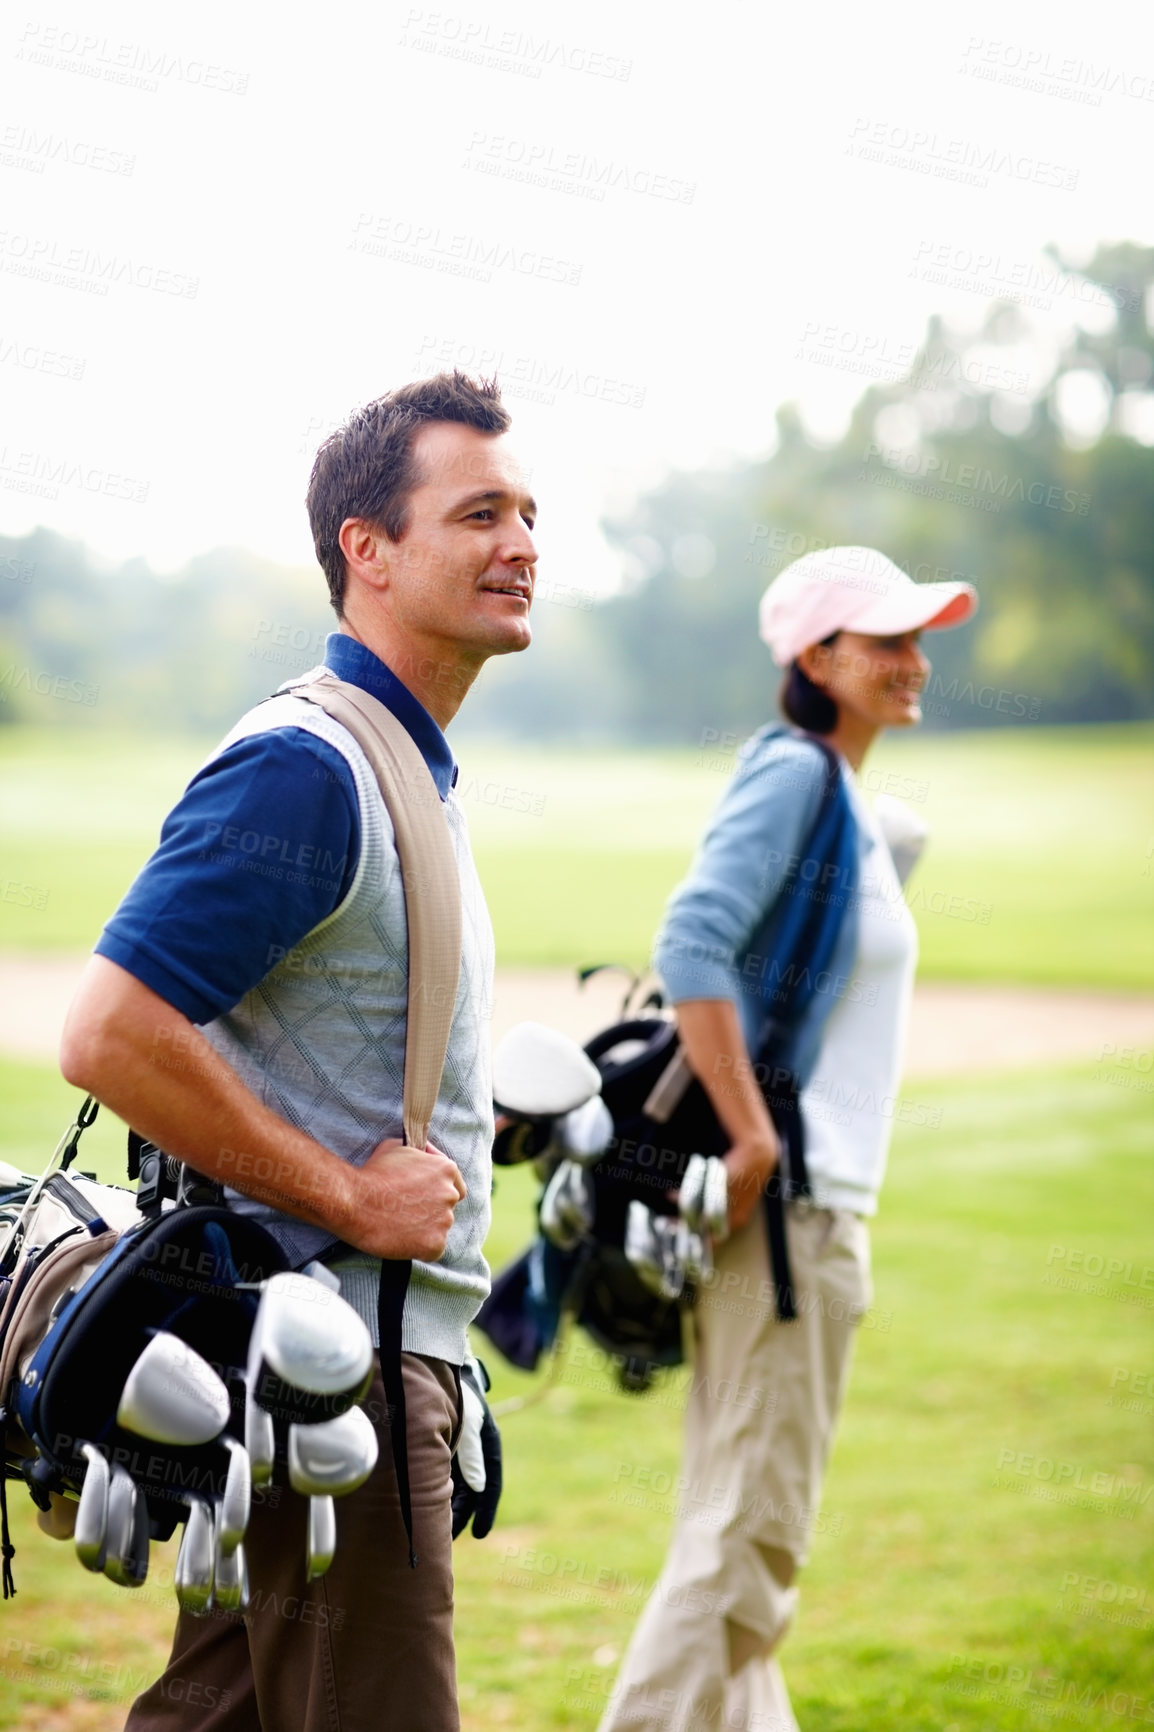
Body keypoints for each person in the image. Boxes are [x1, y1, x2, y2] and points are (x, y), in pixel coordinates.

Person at [59, 370, 538, 1731]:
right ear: (366, 552)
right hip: (339, 1380)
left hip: (317, 1373)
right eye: (479, 512)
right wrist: (343, 1197)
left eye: (527, 512)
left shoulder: (399, 759)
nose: (521, 544)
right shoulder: (307, 767)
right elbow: (109, 1032)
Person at [599, 546, 977, 1732]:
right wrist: (753, 1133)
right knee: (743, 1542)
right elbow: (693, 939)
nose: (913, 662)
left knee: (740, 1535)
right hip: (787, 1216)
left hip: (811, 1216)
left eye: (918, 639)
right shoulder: (797, 775)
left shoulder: (853, 804)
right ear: (816, 658)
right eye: (885, 641)